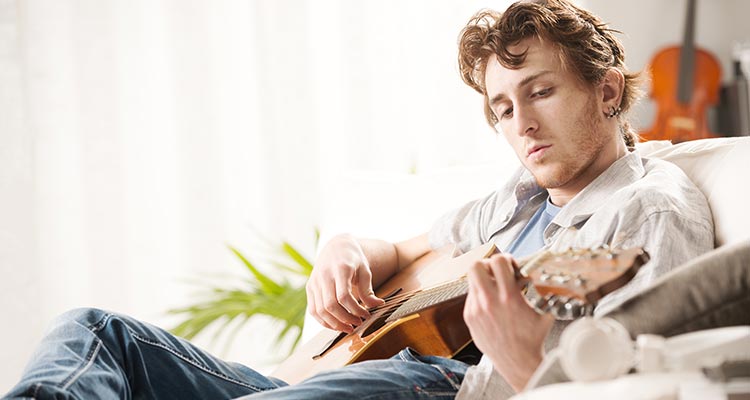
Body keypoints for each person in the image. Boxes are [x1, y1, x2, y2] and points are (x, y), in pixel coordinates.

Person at [3, 1, 714, 399]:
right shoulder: (518, 198)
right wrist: (345, 250)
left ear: (610, 91)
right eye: (501, 107)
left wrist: (528, 362)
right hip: (350, 371)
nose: (520, 124)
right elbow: (406, 252)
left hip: (438, 387)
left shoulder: (649, 211)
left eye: (542, 92)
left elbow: (644, 386)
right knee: (93, 332)